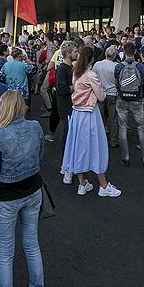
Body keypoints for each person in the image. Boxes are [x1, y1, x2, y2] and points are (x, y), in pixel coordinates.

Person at [0, 90, 45, 287]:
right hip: (32, 189)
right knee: (32, 245)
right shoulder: (35, 127)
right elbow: (39, 156)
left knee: (6, 253)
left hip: (7, 196)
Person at [62, 46, 122, 197]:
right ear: (92, 58)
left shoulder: (75, 72)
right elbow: (101, 97)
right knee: (97, 148)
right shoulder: (90, 75)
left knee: (78, 148)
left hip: (77, 114)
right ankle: (103, 185)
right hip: (89, 115)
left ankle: (82, 184)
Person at [114, 42, 144, 168]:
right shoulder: (140, 66)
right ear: (135, 51)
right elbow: (141, 82)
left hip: (122, 99)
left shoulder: (119, 66)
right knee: (141, 128)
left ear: (123, 52)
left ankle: (125, 158)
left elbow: (117, 83)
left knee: (123, 128)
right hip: (136, 99)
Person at [56, 41, 78, 183]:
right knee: (68, 136)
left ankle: (69, 165)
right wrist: (76, 86)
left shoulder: (71, 68)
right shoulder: (62, 69)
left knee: (72, 135)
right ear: (68, 53)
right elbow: (62, 89)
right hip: (66, 107)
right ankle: (66, 167)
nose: (77, 53)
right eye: (75, 51)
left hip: (72, 106)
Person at [92, 45, 119, 148]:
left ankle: (100, 139)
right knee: (113, 118)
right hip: (112, 94)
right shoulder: (116, 66)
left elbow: (93, 78)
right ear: (114, 56)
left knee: (100, 117)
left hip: (100, 93)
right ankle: (114, 140)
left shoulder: (97, 65)